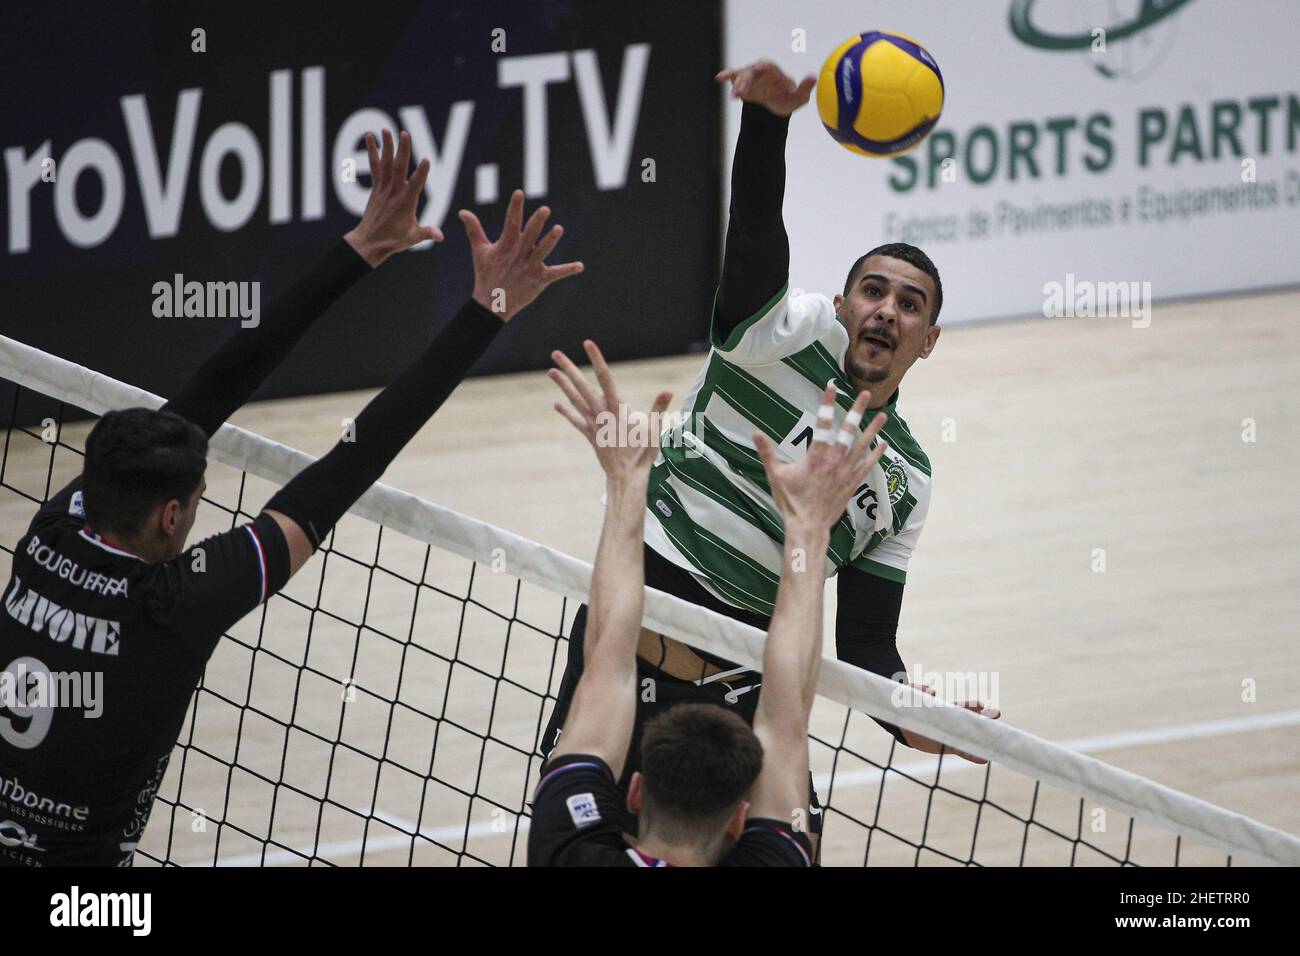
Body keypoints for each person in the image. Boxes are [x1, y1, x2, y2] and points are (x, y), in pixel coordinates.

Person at [0, 130, 582, 867]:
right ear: (171, 515)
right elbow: (350, 462)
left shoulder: (51, 533)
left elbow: (208, 396)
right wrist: (483, 312)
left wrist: (360, 249)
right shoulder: (173, 604)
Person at [539, 59, 999, 851]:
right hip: (625, 662)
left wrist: (922, 722)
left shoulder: (904, 480)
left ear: (928, 342)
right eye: (874, 291)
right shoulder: (778, 335)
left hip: (750, 711)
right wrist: (768, 122)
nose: (887, 311)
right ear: (844, 301)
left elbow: (864, 648)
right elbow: (754, 237)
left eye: (910, 305)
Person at [529, 341, 887, 866]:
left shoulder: (568, 848)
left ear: (634, 791)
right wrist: (810, 529)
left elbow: (608, 670)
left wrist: (628, 485)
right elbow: (785, 721)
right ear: (740, 821)